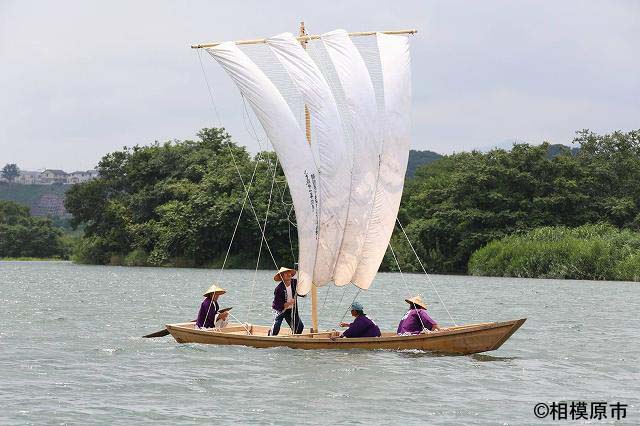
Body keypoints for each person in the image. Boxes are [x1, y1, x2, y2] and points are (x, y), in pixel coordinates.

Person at [269, 267, 305, 335]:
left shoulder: (295, 282)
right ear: (282, 276)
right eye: (286, 273)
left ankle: (294, 339)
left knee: (299, 327)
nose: (289, 274)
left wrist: (304, 292)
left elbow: (301, 292)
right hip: (280, 309)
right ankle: (270, 337)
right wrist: (289, 303)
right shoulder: (279, 289)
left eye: (289, 273)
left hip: (291, 309)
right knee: (276, 326)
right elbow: (279, 305)